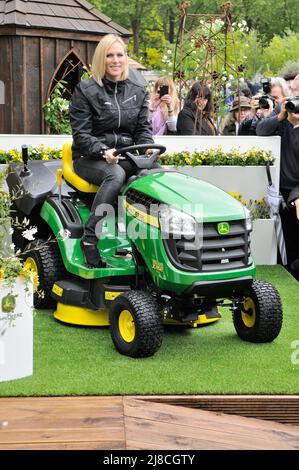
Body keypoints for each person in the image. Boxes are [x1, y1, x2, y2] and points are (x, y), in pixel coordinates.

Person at [69, 34, 154, 268]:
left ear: (126, 58)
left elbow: (143, 129)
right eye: (109, 55)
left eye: (120, 55)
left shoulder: (137, 89)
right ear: (100, 58)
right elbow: (82, 136)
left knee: (156, 175)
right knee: (115, 174)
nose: (115, 60)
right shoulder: (86, 90)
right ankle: (90, 239)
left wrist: (146, 148)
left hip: (126, 154)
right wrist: (103, 150)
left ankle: (154, 243)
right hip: (89, 157)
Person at [256, 94, 299, 279]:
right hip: (281, 191)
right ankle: (290, 270)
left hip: (296, 190)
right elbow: (260, 130)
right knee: (287, 240)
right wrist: (280, 115)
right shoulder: (282, 111)